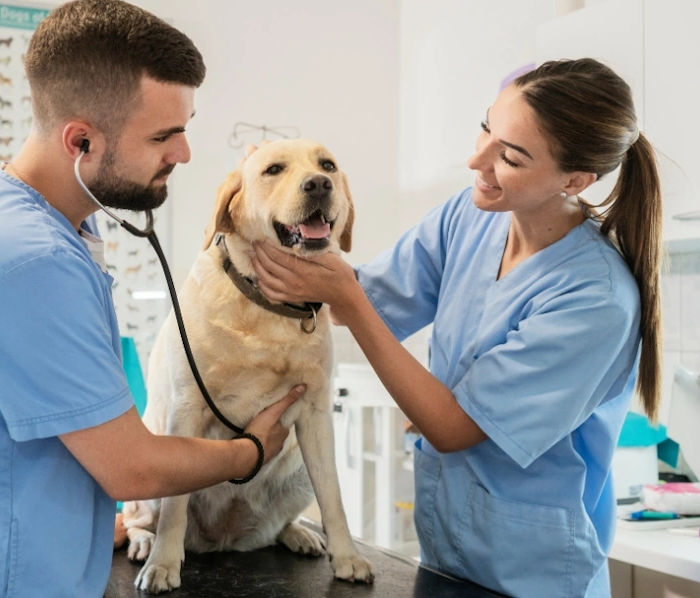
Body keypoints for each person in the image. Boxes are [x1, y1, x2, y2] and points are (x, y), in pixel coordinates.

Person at [0, 0, 305, 597]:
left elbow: (39, 431)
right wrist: (250, 452)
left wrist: (87, 523)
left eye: (186, 128)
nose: (184, 154)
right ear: (80, 143)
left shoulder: (41, 222)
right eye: (163, 136)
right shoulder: (29, 260)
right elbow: (133, 465)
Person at [251, 58, 662, 598]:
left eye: (510, 156)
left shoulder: (594, 298)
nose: (477, 159)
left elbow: (450, 425)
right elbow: (360, 301)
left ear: (575, 180)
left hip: (532, 575)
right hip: (447, 553)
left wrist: (342, 291)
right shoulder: (470, 217)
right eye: (487, 127)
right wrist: (253, 242)